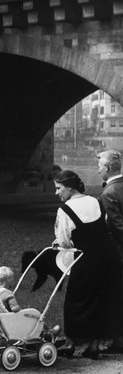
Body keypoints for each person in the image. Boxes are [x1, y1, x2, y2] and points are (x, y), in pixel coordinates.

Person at [52, 170, 123, 359]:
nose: (57, 193)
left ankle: (70, 342)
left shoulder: (65, 210)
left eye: (59, 188)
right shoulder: (94, 201)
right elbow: (104, 224)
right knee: (101, 298)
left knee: (76, 299)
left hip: (86, 258)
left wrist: (60, 244)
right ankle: (94, 344)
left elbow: (64, 240)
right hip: (108, 256)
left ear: (70, 188)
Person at [96, 150, 123, 352]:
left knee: (115, 295)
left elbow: (116, 226)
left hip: (117, 252)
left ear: (106, 168)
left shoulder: (109, 193)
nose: (98, 171)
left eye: (99, 167)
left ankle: (116, 340)